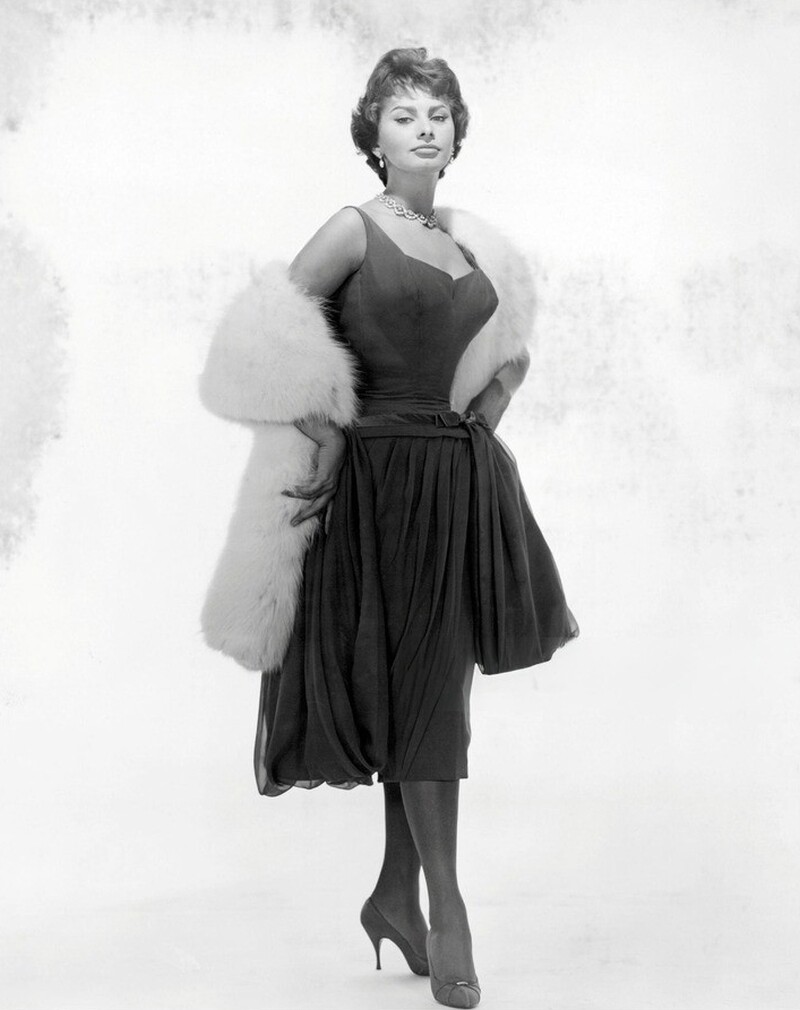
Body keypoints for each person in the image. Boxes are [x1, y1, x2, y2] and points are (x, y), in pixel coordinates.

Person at [199, 47, 579, 1009]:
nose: (424, 128)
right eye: (404, 114)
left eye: (439, 114)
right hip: (379, 488)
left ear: (457, 135)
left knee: (434, 688)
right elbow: (259, 337)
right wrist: (327, 432)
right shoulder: (352, 227)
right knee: (420, 692)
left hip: (458, 479)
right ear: (373, 136)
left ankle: (394, 897)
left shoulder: (464, 240)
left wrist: (499, 392)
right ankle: (446, 911)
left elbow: (500, 348)